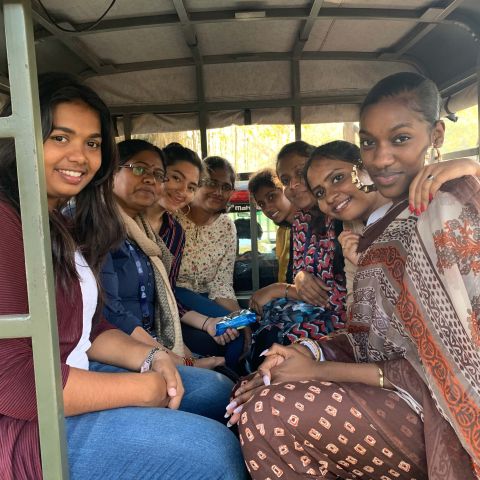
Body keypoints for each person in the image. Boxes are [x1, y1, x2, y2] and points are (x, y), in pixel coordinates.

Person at [230, 72, 480, 479]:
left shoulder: (450, 199)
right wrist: (308, 354)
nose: (381, 158)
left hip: (445, 410)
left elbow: (447, 363)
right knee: (264, 386)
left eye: (400, 139)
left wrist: (319, 371)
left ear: (435, 134)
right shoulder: (373, 230)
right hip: (397, 391)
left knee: (268, 413)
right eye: (370, 142)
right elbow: (369, 338)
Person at [0, 73, 246, 480]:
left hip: (71, 377)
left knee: (217, 392)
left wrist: (154, 358)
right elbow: (15, 382)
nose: (79, 156)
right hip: (28, 425)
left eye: (92, 143)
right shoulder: (7, 222)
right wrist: (141, 388)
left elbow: (92, 328)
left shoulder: (55, 224)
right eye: (60, 138)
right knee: (214, 455)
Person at [247, 141, 346, 369]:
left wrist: (278, 289)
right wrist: (299, 279)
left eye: (300, 174)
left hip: (342, 321)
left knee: (280, 340)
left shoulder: (341, 216)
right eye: (286, 180)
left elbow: (336, 297)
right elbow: (301, 282)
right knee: (263, 322)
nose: (293, 185)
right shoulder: (301, 222)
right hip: (316, 309)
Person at [175, 155, 246, 371]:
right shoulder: (172, 219)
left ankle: (235, 382)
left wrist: (240, 319)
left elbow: (222, 284)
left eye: (226, 186)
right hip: (173, 297)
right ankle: (235, 382)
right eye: (211, 183)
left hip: (205, 299)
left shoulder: (226, 227)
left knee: (238, 331)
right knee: (232, 332)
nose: (218, 191)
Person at [248, 168, 296, 284]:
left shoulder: (310, 227)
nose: (267, 208)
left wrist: (276, 290)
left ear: (286, 189)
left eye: (271, 196)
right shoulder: (284, 231)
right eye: (261, 204)